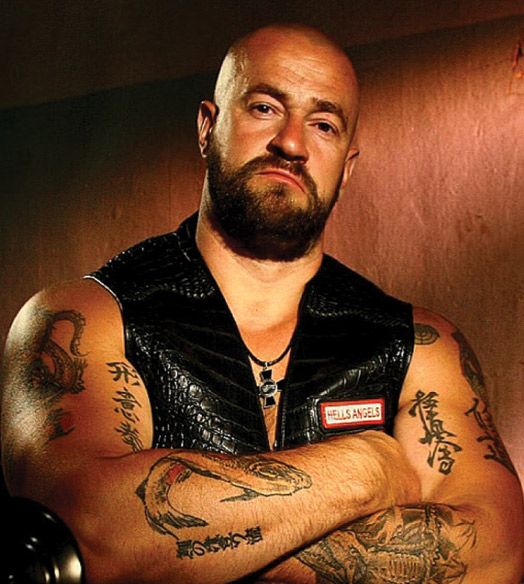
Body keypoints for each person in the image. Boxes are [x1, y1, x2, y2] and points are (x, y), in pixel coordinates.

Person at [1, 23, 522, 584]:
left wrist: (191, 551)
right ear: (208, 128)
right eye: (265, 108)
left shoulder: (415, 344)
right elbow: (90, 533)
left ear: (346, 167)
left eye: (323, 125)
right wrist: (369, 469)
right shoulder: (85, 319)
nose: (292, 144)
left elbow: (496, 555)